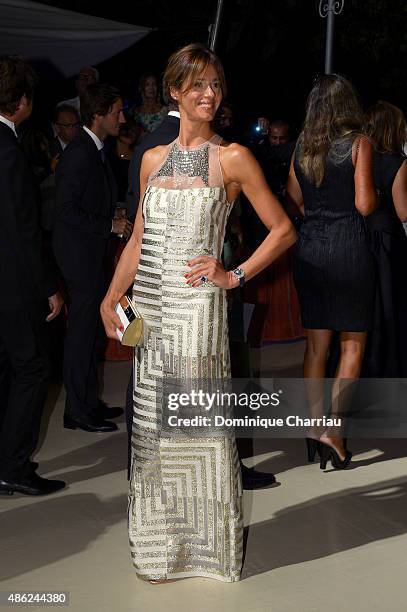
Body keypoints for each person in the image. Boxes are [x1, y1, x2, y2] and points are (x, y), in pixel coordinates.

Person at [101, 43, 296, 583]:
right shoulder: (152, 160)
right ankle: (161, 549)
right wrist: (109, 296)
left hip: (198, 313)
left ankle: (207, 551)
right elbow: (139, 238)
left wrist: (233, 276)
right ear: (175, 92)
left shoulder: (232, 157)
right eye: (198, 86)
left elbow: (283, 230)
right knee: (153, 429)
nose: (210, 95)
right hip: (154, 311)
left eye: (215, 85)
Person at [286, 74, 377, 470]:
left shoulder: (301, 146)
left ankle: (313, 426)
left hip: (310, 248)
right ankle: (334, 435)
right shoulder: (359, 143)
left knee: (315, 347)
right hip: (349, 248)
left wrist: (316, 216)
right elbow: (364, 204)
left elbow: (292, 193)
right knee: (352, 345)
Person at [0, 55, 65, 496]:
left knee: (5, 370)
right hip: (13, 284)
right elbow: (22, 230)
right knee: (32, 369)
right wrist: (48, 288)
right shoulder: (9, 151)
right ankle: (12, 467)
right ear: (21, 103)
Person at [53, 84, 133, 433]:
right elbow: (66, 211)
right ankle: (76, 411)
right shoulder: (79, 152)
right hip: (78, 258)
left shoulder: (94, 149)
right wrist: (110, 224)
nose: (123, 118)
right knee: (82, 333)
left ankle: (87, 402)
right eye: (117, 112)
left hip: (89, 254)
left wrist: (112, 214)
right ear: (98, 115)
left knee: (90, 333)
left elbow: (88, 201)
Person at [362, 101, 407, 376]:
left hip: (362, 239)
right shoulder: (398, 163)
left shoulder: (358, 159)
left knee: (368, 311)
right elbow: (403, 211)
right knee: (392, 309)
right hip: (389, 243)